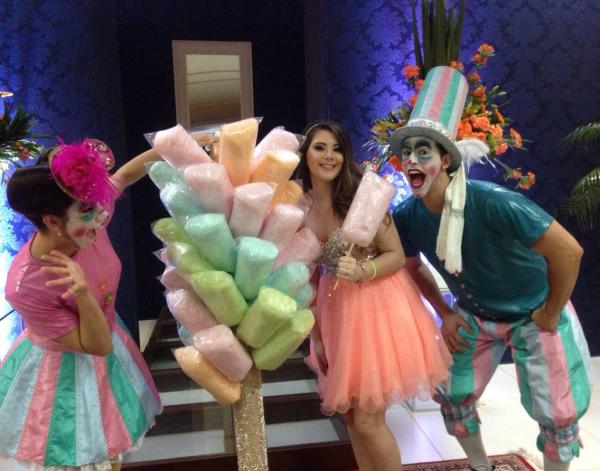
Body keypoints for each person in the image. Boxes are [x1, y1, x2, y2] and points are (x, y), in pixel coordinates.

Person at [390, 66, 593, 471]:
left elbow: (568, 251)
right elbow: (412, 267)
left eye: (423, 151)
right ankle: (481, 467)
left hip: (534, 310)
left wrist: (551, 311)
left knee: (558, 411)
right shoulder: (408, 215)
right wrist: (446, 313)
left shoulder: (494, 201)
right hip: (475, 312)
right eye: (406, 152)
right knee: (452, 394)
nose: (411, 159)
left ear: (446, 160)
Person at [0, 138, 163, 471]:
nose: (101, 215)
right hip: (60, 374)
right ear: (53, 222)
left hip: (108, 345)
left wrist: (177, 144)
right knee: (76, 456)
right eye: (88, 210)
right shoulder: (25, 285)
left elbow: (124, 176)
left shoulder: (86, 221)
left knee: (114, 449)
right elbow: (96, 345)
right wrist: (83, 292)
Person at [297, 121, 452, 471]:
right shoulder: (301, 206)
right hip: (334, 314)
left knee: (368, 420)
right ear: (305, 155)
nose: (329, 156)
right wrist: (316, 335)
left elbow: (396, 256)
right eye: (320, 147)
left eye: (337, 148)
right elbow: (309, 277)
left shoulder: (362, 197)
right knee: (352, 419)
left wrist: (362, 270)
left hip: (376, 310)